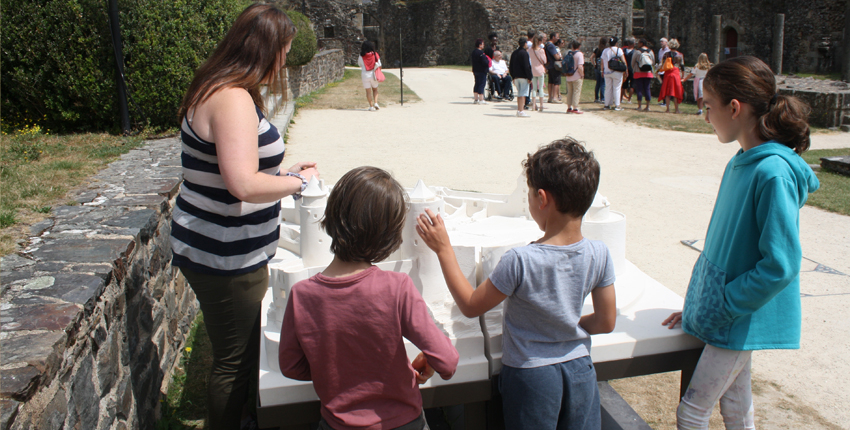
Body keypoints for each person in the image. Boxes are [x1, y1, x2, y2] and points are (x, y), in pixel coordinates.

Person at [171, 4, 320, 429]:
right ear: (265, 49)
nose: (286, 61)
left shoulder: (220, 85)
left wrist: (286, 174)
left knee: (239, 351)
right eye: (284, 51)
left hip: (220, 244)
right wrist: (300, 184)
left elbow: (241, 172)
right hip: (225, 254)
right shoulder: (232, 98)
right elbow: (243, 184)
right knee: (234, 363)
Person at [662, 56, 819, 430]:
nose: (705, 116)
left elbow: (780, 264)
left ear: (735, 108)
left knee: (691, 413)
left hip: (737, 319)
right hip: (727, 315)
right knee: (737, 407)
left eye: (709, 107)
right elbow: (725, 246)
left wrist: (723, 304)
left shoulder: (772, 172)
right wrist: (700, 305)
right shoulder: (743, 160)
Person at [416, 137, 617, 430]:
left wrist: (444, 249)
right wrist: (566, 325)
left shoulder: (521, 260)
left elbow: (471, 306)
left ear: (541, 199)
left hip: (532, 377)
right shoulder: (599, 253)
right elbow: (606, 321)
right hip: (580, 370)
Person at [279, 166, 460, 430]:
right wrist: (428, 360)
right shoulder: (396, 286)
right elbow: (448, 360)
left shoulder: (302, 296)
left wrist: (335, 373)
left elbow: (291, 366)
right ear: (388, 235)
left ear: (330, 216)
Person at [658, 38, 684, 113]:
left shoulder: (666, 54)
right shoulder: (680, 55)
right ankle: (676, 109)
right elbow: (682, 66)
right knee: (675, 91)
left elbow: (662, 64)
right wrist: (683, 75)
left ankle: (667, 109)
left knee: (667, 92)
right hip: (675, 73)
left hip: (668, 73)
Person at [601, 36, 627, 111]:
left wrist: (602, 71)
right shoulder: (619, 50)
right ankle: (617, 105)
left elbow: (602, 62)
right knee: (617, 88)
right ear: (616, 43)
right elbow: (624, 61)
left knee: (608, 88)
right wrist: (626, 70)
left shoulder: (605, 50)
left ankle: (606, 104)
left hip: (607, 71)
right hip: (617, 71)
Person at [510, 37, 533, 117]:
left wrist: (513, 76)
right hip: (523, 77)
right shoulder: (524, 53)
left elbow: (511, 65)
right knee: (523, 94)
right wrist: (530, 77)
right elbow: (527, 66)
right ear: (525, 44)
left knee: (519, 94)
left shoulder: (514, 53)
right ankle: (521, 110)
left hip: (516, 76)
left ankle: (519, 109)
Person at [630, 38, 655, 111]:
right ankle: (647, 106)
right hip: (648, 73)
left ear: (641, 43)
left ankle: (639, 106)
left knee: (639, 89)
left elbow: (632, 62)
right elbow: (652, 62)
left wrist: (634, 69)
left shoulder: (637, 52)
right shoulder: (651, 51)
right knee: (647, 89)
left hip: (638, 72)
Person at [358, 41, 382, 111]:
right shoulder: (375, 54)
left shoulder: (361, 55)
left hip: (365, 74)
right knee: (375, 89)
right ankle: (376, 102)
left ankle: (371, 106)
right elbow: (379, 64)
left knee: (368, 91)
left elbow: (359, 64)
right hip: (373, 74)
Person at [564, 40, 585, 114]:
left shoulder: (569, 53)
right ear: (579, 46)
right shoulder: (579, 54)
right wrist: (582, 74)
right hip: (576, 75)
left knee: (569, 92)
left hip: (569, 75)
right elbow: (580, 66)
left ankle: (569, 107)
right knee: (576, 92)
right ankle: (575, 108)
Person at [529, 32, 548, 111]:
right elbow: (544, 60)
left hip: (533, 69)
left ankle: (533, 105)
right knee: (540, 88)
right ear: (540, 41)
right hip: (540, 69)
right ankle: (541, 105)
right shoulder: (541, 50)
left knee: (533, 89)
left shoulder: (530, 50)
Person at [471, 38, 490, 104]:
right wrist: (487, 61)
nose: (483, 45)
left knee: (477, 83)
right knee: (482, 84)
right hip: (482, 70)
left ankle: (476, 99)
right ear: (480, 45)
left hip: (475, 70)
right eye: (482, 44)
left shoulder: (474, 52)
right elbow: (484, 62)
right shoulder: (481, 53)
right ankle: (481, 99)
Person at [545, 32, 562, 103]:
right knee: (556, 82)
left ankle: (550, 97)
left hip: (549, 65)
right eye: (557, 37)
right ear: (553, 37)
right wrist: (560, 56)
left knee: (551, 81)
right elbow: (556, 56)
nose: (558, 38)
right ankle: (554, 97)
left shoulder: (546, 45)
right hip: (554, 65)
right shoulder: (551, 46)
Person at [589, 37, 607, 104]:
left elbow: (591, 57)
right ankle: (602, 98)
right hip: (603, 68)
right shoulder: (605, 50)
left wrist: (594, 64)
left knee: (598, 83)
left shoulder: (597, 49)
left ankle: (596, 98)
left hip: (597, 68)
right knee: (603, 83)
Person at [621, 37, 635, 104]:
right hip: (632, 69)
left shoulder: (623, 50)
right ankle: (629, 99)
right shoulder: (635, 52)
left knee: (624, 84)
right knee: (632, 85)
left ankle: (621, 98)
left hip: (625, 68)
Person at [656, 37, 670, 106]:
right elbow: (660, 60)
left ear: (666, 43)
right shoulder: (660, 50)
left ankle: (666, 102)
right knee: (663, 86)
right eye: (660, 41)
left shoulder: (668, 51)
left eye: (662, 41)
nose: (661, 43)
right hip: (661, 70)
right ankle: (664, 101)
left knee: (666, 86)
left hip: (666, 70)